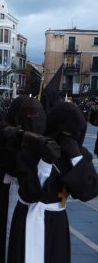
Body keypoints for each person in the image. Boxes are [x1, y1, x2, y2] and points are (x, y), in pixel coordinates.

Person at [8, 102, 98, 263]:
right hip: (30, 214)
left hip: (57, 220)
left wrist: (76, 157)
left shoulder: (79, 153)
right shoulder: (32, 149)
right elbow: (29, 193)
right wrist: (45, 162)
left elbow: (88, 191)